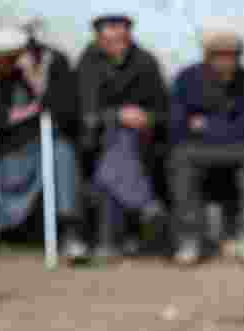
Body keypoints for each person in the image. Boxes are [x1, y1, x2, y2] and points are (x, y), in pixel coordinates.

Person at [0, 27, 84, 261]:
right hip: (2, 148)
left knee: (63, 153)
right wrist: (12, 116)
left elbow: (66, 114)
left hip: (41, 146)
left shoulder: (54, 61)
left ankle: (69, 233)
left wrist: (36, 80)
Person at [168, 21, 244, 266]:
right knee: (180, 159)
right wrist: (225, 125)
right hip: (196, 149)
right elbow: (178, 124)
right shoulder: (187, 78)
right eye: (219, 56)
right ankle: (189, 238)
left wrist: (207, 125)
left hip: (239, 148)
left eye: (231, 56)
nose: (226, 62)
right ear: (208, 57)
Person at [76, 12, 169, 260]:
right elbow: (85, 111)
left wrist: (145, 117)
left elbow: (163, 111)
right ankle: (145, 204)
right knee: (116, 141)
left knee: (115, 158)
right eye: (109, 29)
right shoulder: (88, 63)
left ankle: (109, 243)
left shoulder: (146, 62)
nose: (116, 34)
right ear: (99, 36)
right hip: (93, 140)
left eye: (121, 28)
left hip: (143, 141)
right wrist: (117, 114)